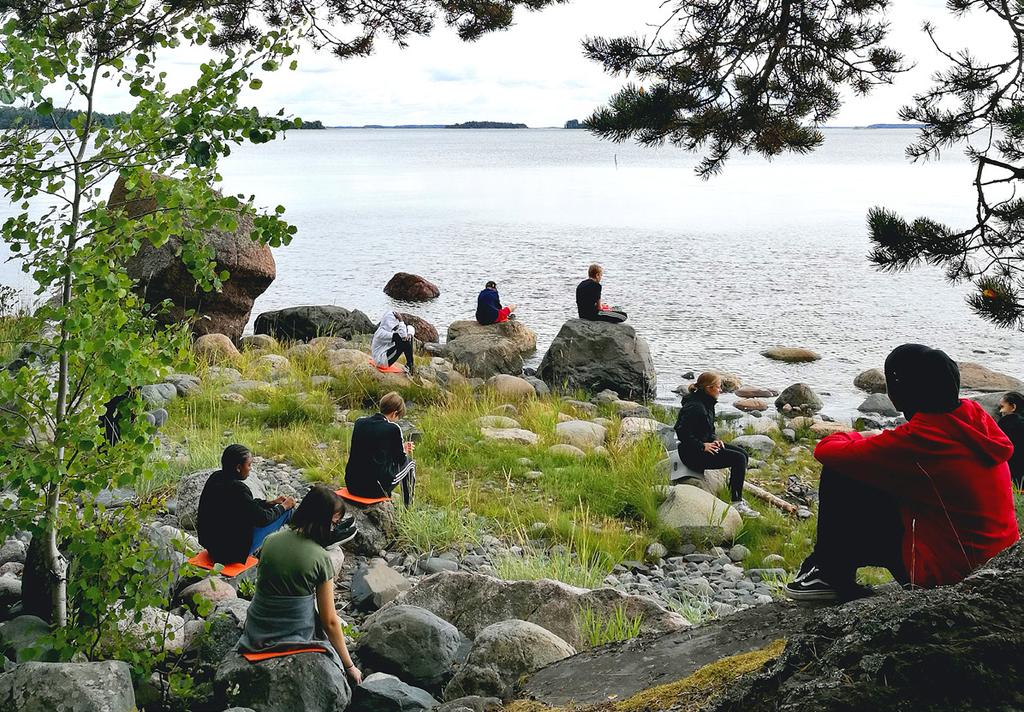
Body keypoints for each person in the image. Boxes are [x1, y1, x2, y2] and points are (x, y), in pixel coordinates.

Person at [785, 344, 1020, 602]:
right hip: (995, 561)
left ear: (901, 392)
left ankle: (830, 574)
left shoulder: (922, 440)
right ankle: (828, 568)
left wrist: (863, 435)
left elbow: (826, 451)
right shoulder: (975, 420)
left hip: (952, 575)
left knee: (840, 472)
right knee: (883, 481)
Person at [236, 485, 363, 685]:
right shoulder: (321, 558)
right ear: (324, 522)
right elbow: (329, 620)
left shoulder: (270, 541)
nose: (333, 528)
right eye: (333, 523)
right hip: (294, 632)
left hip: (257, 629)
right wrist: (349, 666)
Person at [673, 372, 761, 518]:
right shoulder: (695, 407)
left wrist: (713, 439)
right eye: (719, 387)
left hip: (702, 446)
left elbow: (708, 429)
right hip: (692, 454)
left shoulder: (707, 402)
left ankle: (735, 493)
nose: (721, 390)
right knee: (738, 460)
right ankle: (736, 503)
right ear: (709, 388)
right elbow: (681, 431)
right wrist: (702, 446)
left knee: (743, 454)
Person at [198, 444, 297, 564]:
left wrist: (270, 503)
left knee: (273, 512)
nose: (251, 468)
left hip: (213, 548)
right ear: (238, 467)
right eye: (249, 465)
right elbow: (262, 518)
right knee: (287, 512)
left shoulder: (215, 478)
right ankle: (304, 545)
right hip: (231, 554)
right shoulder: (238, 489)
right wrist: (284, 506)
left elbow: (246, 507)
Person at [345, 391, 416, 506]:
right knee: (410, 464)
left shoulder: (360, 422)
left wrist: (397, 447)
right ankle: (408, 507)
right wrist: (404, 450)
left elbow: (372, 449)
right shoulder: (393, 428)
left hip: (352, 485)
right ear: (394, 413)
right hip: (375, 490)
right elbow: (400, 460)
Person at [371, 311, 415, 375]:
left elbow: (410, 328)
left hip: (385, 354)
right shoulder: (381, 333)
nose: (395, 326)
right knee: (404, 341)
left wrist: (409, 334)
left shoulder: (389, 330)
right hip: (381, 361)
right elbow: (402, 336)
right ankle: (410, 365)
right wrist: (401, 320)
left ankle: (410, 365)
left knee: (406, 338)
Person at [997, 391, 1024, 488]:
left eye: (1002, 407)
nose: (1000, 411)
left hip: (1011, 472)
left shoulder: (1006, 422)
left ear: (1013, 407)